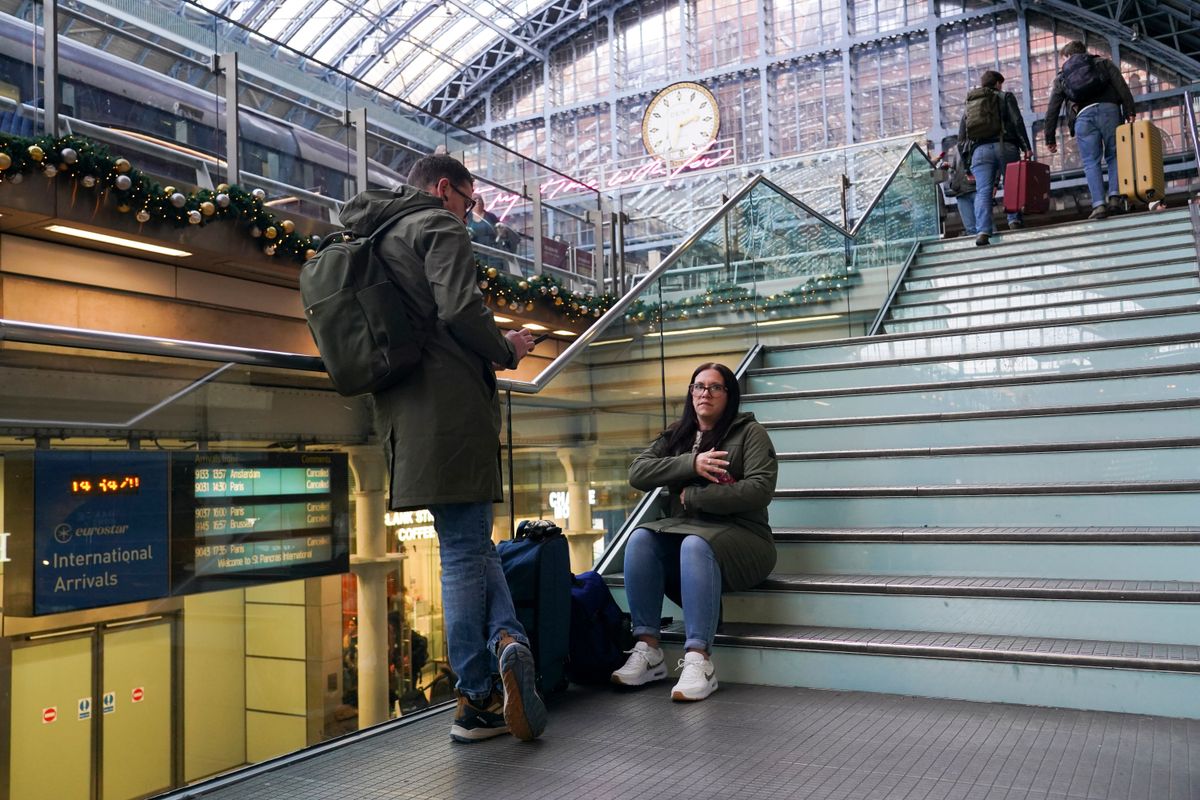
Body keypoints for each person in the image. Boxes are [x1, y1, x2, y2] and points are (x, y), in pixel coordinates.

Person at [338, 154, 546, 744]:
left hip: (403, 415)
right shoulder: (437, 224)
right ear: (444, 188)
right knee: (461, 550)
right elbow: (458, 308)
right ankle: (476, 694)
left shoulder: (377, 232)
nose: (468, 213)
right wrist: (507, 348)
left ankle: (506, 641)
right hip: (451, 408)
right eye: (467, 201)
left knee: (469, 541)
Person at [612, 362, 778, 701]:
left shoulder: (750, 433)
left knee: (693, 544)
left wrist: (695, 496)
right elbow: (637, 473)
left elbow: (760, 490)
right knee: (641, 538)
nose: (705, 393)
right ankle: (648, 649)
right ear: (691, 393)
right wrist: (691, 462)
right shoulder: (678, 435)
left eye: (715, 387)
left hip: (745, 537)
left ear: (729, 395)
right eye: (699, 386)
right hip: (690, 534)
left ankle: (699, 661)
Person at [1044, 41, 1136, 220]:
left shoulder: (1063, 76)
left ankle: (1099, 205)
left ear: (1068, 56)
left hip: (1083, 117)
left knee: (1091, 162)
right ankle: (1115, 197)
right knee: (1114, 155)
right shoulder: (1103, 63)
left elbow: (1053, 108)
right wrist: (1130, 111)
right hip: (1109, 111)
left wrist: (1050, 138)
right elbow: (1122, 86)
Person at [957, 70, 1032, 246]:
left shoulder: (971, 104)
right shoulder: (1005, 97)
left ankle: (983, 231)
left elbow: (961, 140)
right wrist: (1026, 147)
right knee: (1011, 184)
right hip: (1006, 146)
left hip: (980, 152)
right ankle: (1014, 220)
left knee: (983, 191)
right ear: (998, 83)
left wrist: (967, 166)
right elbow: (1017, 121)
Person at [940, 146, 977, 237]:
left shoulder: (974, 144)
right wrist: (948, 168)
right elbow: (954, 169)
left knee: (984, 225)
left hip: (975, 189)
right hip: (961, 192)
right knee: (971, 228)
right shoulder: (956, 149)